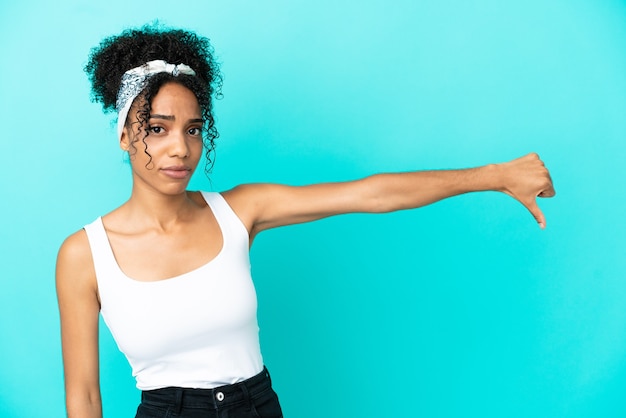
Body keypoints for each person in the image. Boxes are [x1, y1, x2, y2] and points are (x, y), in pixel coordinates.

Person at [55, 24, 555, 418]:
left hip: (257, 406)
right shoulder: (84, 254)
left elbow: (369, 194)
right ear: (124, 136)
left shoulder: (239, 210)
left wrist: (494, 175)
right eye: (157, 129)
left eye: (192, 129)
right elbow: (83, 398)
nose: (179, 148)